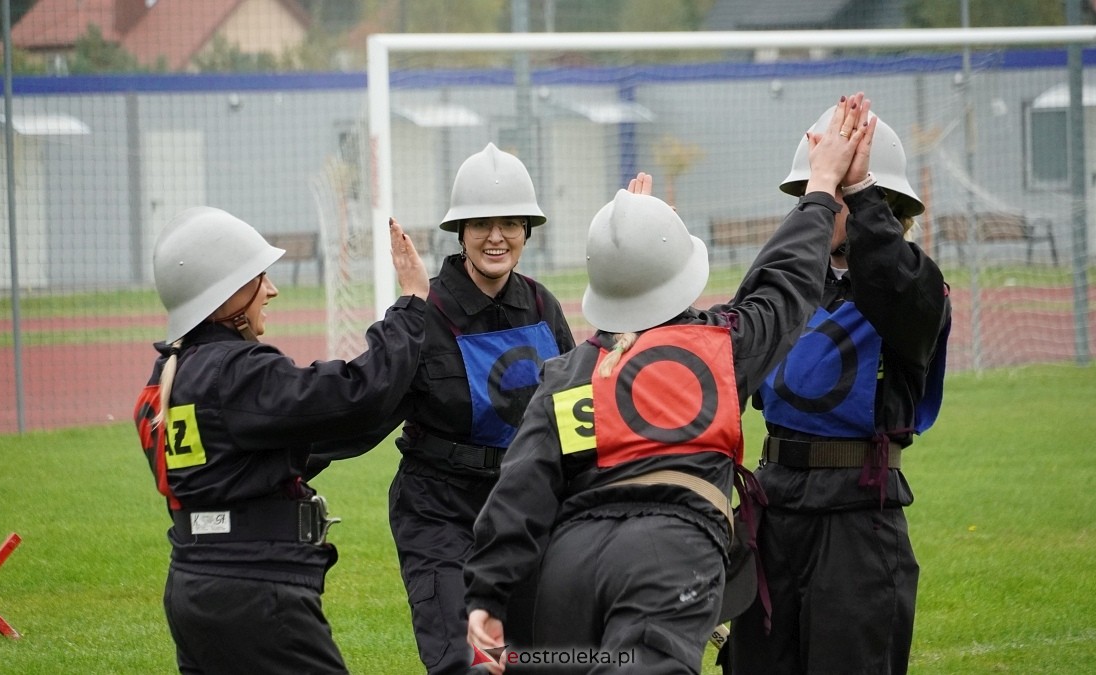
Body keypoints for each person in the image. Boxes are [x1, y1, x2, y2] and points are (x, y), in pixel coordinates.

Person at [463, 93, 872, 675]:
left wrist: (484, 595)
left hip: (569, 568)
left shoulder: (570, 375)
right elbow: (783, 284)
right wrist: (822, 188)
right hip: (667, 557)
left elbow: (519, 492)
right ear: (684, 276)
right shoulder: (722, 351)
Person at [132, 206, 429, 674]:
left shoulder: (172, 374)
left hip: (195, 584)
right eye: (258, 279)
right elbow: (353, 394)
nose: (270, 290)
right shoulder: (235, 372)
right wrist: (412, 304)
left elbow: (273, 450)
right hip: (253, 591)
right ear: (226, 295)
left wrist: (406, 398)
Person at [724, 103, 952, 674]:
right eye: (815, 194)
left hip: (858, 515)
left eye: (839, 197)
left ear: (884, 204)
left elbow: (894, 285)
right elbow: (743, 321)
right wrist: (823, 191)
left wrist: (861, 189)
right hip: (773, 509)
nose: (823, 207)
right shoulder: (792, 286)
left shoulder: (918, 289)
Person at [385, 143, 576, 674]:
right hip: (438, 510)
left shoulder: (542, 306)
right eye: (481, 224)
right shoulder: (424, 311)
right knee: (465, 661)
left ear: (527, 231)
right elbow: (369, 403)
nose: (496, 237)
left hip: (524, 506)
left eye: (510, 223)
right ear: (460, 233)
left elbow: (573, 413)